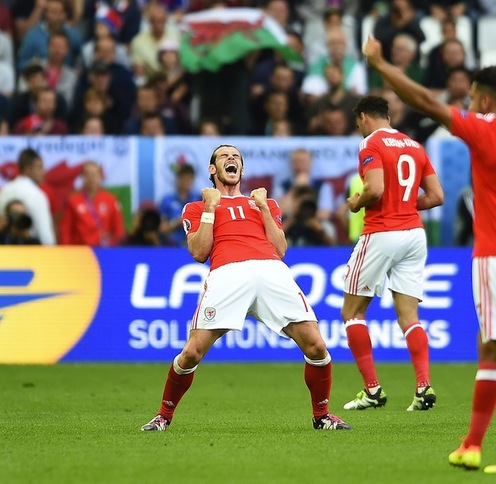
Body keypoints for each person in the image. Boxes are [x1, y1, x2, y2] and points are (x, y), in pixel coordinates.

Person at [362, 30, 496, 473]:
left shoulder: (484, 131)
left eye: (473, 96)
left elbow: (426, 100)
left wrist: (382, 67)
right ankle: (472, 444)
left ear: (482, 101)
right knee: (489, 350)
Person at [140, 144, 351, 432]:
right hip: (228, 273)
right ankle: (163, 416)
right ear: (212, 169)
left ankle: (322, 415)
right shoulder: (197, 207)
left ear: (242, 169)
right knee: (191, 353)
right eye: (224, 156)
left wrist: (264, 207)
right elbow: (199, 252)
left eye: (236, 157)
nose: (232, 159)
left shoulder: (265, 204)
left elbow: (280, 249)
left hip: (270, 270)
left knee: (317, 346)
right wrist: (211, 208)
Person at [340, 94, 444, 413]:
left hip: (382, 232)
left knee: (352, 313)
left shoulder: (370, 143)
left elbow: (375, 189)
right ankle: (423, 387)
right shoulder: (414, 145)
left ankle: (372, 390)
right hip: (414, 234)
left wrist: (357, 202)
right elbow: (437, 196)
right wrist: (405, 206)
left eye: (358, 122)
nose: (358, 127)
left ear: (364, 118)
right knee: (410, 317)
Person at [58, 161, 126, 246]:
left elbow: (119, 230)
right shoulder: (72, 201)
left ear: (100, 176)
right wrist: (66, 252)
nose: (91, 178)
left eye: (95, 174)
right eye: (88, 175)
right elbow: (65, 231)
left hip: (105, 250)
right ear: (82, 177)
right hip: (80, 251)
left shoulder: (111, 200)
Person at [0, 148, 56, 245]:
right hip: (31, 254)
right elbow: (45, 235)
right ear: (29, 169)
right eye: (40, 167)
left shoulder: (5, 191)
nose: (43, 172)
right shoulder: (37, 195)